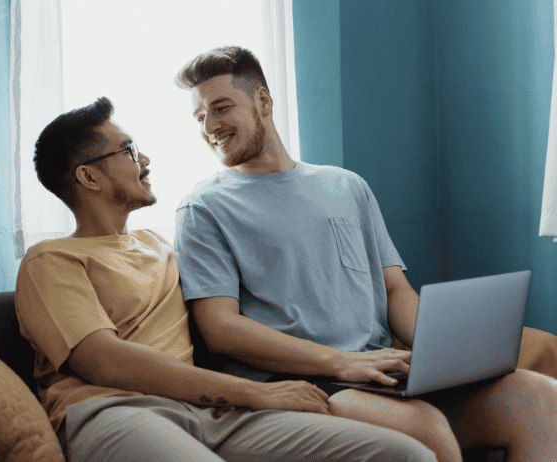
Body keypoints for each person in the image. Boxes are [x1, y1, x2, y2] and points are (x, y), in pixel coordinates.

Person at [173, 45, 557, 462]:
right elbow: (220, 328)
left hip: (378, 372)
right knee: (425, 430)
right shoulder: (203, 208)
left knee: (539, 396)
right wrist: (338, 362)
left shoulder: (346, 186)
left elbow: (395, 290)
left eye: (220, 107)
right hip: (303, 379)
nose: (209, 126)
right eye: (199, 117)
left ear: (262, 101)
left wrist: (441, 355)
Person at [15, 96, 437, 462]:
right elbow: (106, 361)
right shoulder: (50, 262)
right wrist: (256, 393)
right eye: (128, 151)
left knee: (405, 453)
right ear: (88, 177)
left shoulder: (159, 246)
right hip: (116, 413)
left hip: (207, 413)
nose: (144, 160)